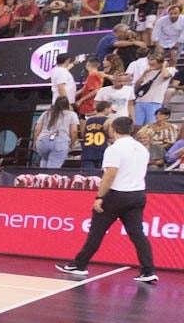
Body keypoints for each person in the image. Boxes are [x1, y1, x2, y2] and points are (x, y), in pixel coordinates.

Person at [56, 116, 159, 283]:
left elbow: (110, 174)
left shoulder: (114, 149)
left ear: (113, 129)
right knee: (138, 234)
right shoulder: (141, 149)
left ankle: (80, 265)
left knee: (96, 232)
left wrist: (100, 196)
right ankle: (148, 271)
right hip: (137, 194)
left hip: (116, 194)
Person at [33, 97, 77, 170]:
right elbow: (74, 131)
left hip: (42, 141)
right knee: (53, 168)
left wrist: (35, 142)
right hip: (60, 141)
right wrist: (72, 143)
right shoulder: (71, 114)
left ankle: (42, 175)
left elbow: (37, 129)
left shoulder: (46, 113)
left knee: (44, 160)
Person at [81, 101, 115, 174]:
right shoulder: (109, 121)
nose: (111, 110)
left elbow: (83, 134)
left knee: (89, 176)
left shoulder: (88, 120)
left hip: (87, 150)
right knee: (101, 175)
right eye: (110, 108)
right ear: (105, 109)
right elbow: (112, 135)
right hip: (101, 150)